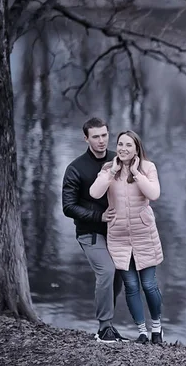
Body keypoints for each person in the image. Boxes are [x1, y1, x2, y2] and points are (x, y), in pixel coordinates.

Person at [89, 130, 165, 345]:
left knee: (149, 284)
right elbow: (95, 193)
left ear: (136, 148)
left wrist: (136, 173)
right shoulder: (108, 169)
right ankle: (142, 332)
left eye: (128, 145)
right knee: (131, 286)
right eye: (120, 144)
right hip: (119, 236)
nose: (123, 148)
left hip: (144, 234)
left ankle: (157, 328)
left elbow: (154, 194)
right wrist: (112, 171)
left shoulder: (147, 168)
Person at [62, 117, 128, 343]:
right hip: (90, 232)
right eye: (96, 136)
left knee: (119, 275)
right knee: (107, 271)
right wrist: (98, 215)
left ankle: (109, 326)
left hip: (118, 231)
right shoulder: (75, 168)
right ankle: (104, 328)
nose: (101, 141)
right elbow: (68, 207)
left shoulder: (119, 159)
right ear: (86, 139)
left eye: (104, 135)